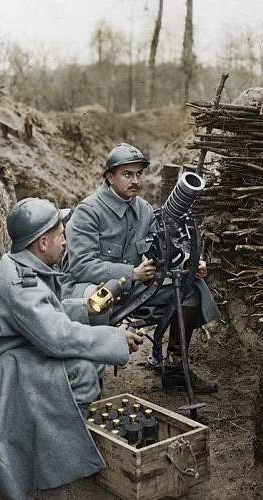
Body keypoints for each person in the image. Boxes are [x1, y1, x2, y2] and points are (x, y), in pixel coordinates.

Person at [0, 197, 142, 500]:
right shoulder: (18, 286)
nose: (64, 241)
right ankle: (47, 470)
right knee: (78, 371)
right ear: (42, 242)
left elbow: (46, 314)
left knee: (85, 365)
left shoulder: (25, 267)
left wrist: (86, 311)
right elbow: (58, 338)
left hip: (4, 356)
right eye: (60, 234)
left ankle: (59, 452)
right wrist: (116, 339)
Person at [61, 143, 220, 392]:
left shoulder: (143, 209)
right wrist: (131, 273)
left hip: (130, 290)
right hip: (86, 290)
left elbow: (163, 249)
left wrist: (189, 263)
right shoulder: (88, 212)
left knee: (190, 288)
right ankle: (90, 380)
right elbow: (81, 266)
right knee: (97, 298)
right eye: (127, 174)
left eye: (138, 174)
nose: (135, 180)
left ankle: (176, 368)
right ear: (110, 177)